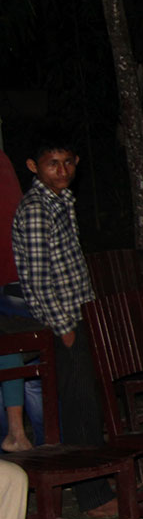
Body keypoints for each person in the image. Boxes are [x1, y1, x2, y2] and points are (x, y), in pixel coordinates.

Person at [12, 131, 116, 518]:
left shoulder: (61, 202)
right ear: (33, 167)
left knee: (87, 404)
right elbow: (36, 279)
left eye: (69, 161)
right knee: (79, 409)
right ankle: (94, 497)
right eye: (53, 163)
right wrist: (65, 328)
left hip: (78, 312)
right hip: (61, 322)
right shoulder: (37, 208)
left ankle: (99, 486)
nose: (63, 170)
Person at [0, 151, 31, 453]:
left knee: (11, 346)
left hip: (11, 277)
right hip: (18, 275)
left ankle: (17, 433)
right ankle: (18, 433)